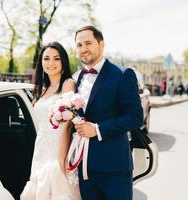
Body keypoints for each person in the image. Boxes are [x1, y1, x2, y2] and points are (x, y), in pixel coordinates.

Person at [73, 26, 143, 200]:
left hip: (114, 168)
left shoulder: (122, 74)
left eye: (88, 43)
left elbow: (135, 117)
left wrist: (97, 129)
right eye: (79, 45)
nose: (83, 49)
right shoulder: (76, 78)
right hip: (84, 169)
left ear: (101, 44)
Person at [20, 42, 81, 200]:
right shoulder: (42, 88)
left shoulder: (68, 84)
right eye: (46, 58)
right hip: (41, 147)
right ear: (41, 62)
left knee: (57, 191)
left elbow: (67, 127)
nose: (51, 63)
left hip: (58, 147)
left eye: (56, 58)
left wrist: (61, 157)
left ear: (63, 62)